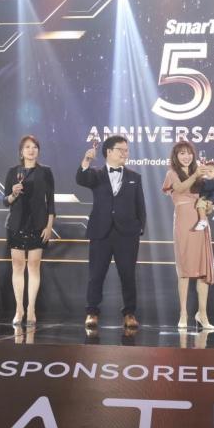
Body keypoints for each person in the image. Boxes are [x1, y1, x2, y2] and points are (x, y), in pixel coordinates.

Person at [76, 135, 145, 329]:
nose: (125, 153)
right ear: (109, 152)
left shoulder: (135, 177)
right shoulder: (96, 175)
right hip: (101, 232)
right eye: (121, 150)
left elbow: (140, 205)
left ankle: (129, 313)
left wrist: (139, 227)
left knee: (128, 275)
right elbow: (81, 178)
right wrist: (86, 160)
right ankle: (92, 312)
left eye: (126, 150)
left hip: (127, 234)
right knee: (96, 275)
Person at [161, 141, 214, 330]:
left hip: (201, 222)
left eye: (189, 153)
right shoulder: (172, 173)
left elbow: (208, 196)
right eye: (182, 153)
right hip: (184, 222)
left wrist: (209, 206)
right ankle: (183, 313)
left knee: (203, 271)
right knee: (184, 270)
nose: (186, 157)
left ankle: (203, 314)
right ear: (175, 156)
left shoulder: (201, 174)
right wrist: (195, 175)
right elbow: (179, 188)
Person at [3, 135, 55, 326]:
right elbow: (5, 201)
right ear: (21, 151)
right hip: (16, 224)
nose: (31, 150)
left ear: (38, 150)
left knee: (33, 267)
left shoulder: (45, 172)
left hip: (38, 225)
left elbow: (51, 202)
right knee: (17, 267)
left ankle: (31, 308)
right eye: (27, 147)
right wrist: (13, 194)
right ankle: (19, 309)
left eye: (34, 147)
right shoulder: (13, 172)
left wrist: (49, 226)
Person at [194, 161, 214, 231]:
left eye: (210, 171)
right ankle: (202, 220)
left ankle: (203, 220)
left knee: (200, 204)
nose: (207, 173)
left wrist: (211, 201)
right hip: (205, 199)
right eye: (205, 171)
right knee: (200, 205)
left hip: (208, 200)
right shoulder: (205, 180)